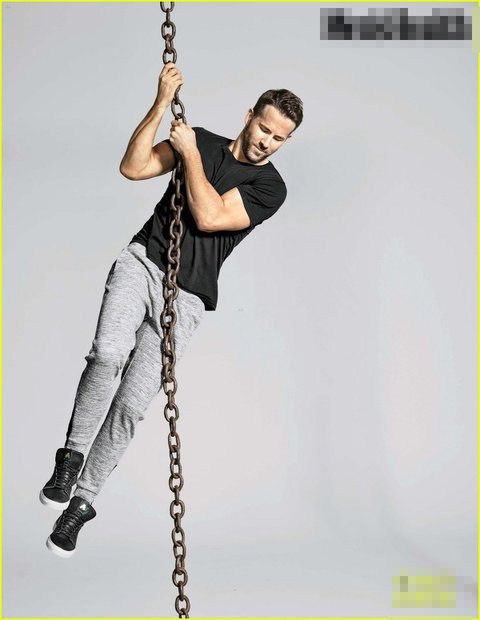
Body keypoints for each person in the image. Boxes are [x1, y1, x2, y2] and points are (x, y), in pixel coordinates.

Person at [40, 63, 303, 558]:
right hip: (142, 263)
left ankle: (82, 503)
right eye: (264, 128)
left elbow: (209, 216)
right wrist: (162, 103)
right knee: (107, 355)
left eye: (279, 138)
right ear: (249, 115)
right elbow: (133, 167)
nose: (267, 142)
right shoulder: (198, 139)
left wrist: (189, 155)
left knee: (132, 405)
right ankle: (70, 459)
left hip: (187, 299)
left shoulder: (272, 188)